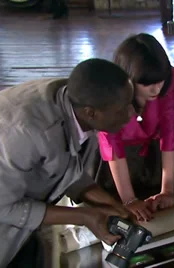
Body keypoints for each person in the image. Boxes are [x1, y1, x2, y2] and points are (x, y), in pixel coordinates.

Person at [0, 58, 136, 267]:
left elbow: (61, 165)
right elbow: (4, 208)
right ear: (91, 112)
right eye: (122, 110)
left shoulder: (79, 99)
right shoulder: (27, 133)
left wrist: (109, 204)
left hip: (20, 221)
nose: (131, 115)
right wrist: (85, 216)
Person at [96, 33, 174, 222]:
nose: (156, 89)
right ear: (128, 79)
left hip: (150, 151)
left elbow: (169, 131)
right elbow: (112, 145)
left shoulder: (168, 78)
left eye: (160, 81)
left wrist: (167, 190)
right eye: (146, 84)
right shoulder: (109, 89)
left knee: (158, 207)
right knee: (118, 213)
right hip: (114, 161)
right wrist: (129, 199)